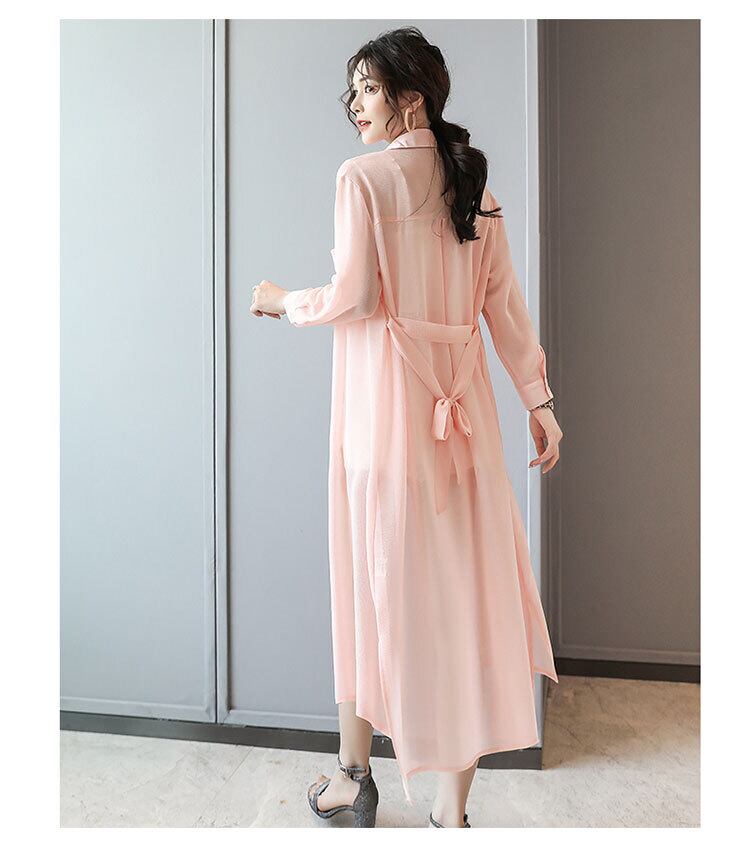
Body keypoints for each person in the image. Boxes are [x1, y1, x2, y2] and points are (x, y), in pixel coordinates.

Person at [250, 26, 563, 829]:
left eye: (368, 88)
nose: (354, 103)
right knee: (463, 605)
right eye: (353, 89)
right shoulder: (473, 186)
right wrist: (538, 402)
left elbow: (354, 295)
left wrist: (284, 301)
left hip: (382, 426)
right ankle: (450, 814)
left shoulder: (362, 178)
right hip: (466, 429)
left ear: (411, 97)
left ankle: (354, 778)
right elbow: (504, 308)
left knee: (367, 590)